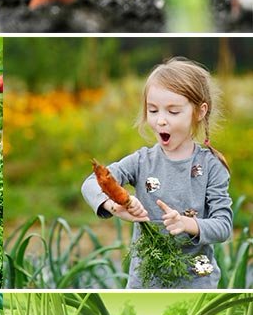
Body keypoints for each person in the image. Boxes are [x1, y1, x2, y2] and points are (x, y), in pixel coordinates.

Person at [81, 58, 233, 289]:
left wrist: (186, 223)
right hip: (145, 281)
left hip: (196, 283)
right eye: (153, 110)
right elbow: (91, 183)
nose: (160, 120)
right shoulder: (141, 161)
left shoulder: (212, 166)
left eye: (173, 111)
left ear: (200, 111)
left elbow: (223, 226)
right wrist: (115, 206)